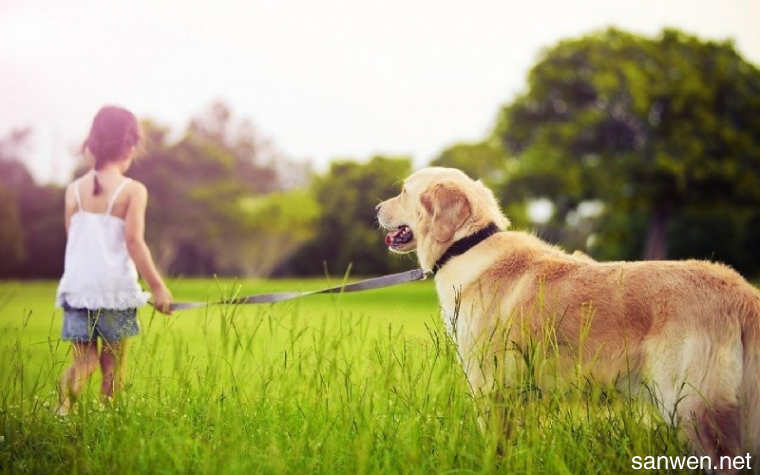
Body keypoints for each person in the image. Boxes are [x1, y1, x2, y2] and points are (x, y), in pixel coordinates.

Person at [56, 105, 173, 414]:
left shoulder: (73, 191)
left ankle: (63, 410)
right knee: (113, 366)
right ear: (130, 146)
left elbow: (74, 241)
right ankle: (108, 421)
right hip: (114, 291)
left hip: (78, 289)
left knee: (84, 361)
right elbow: (134, 242)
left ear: (92, 145)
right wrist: (158, 287)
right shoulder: (132, 190)